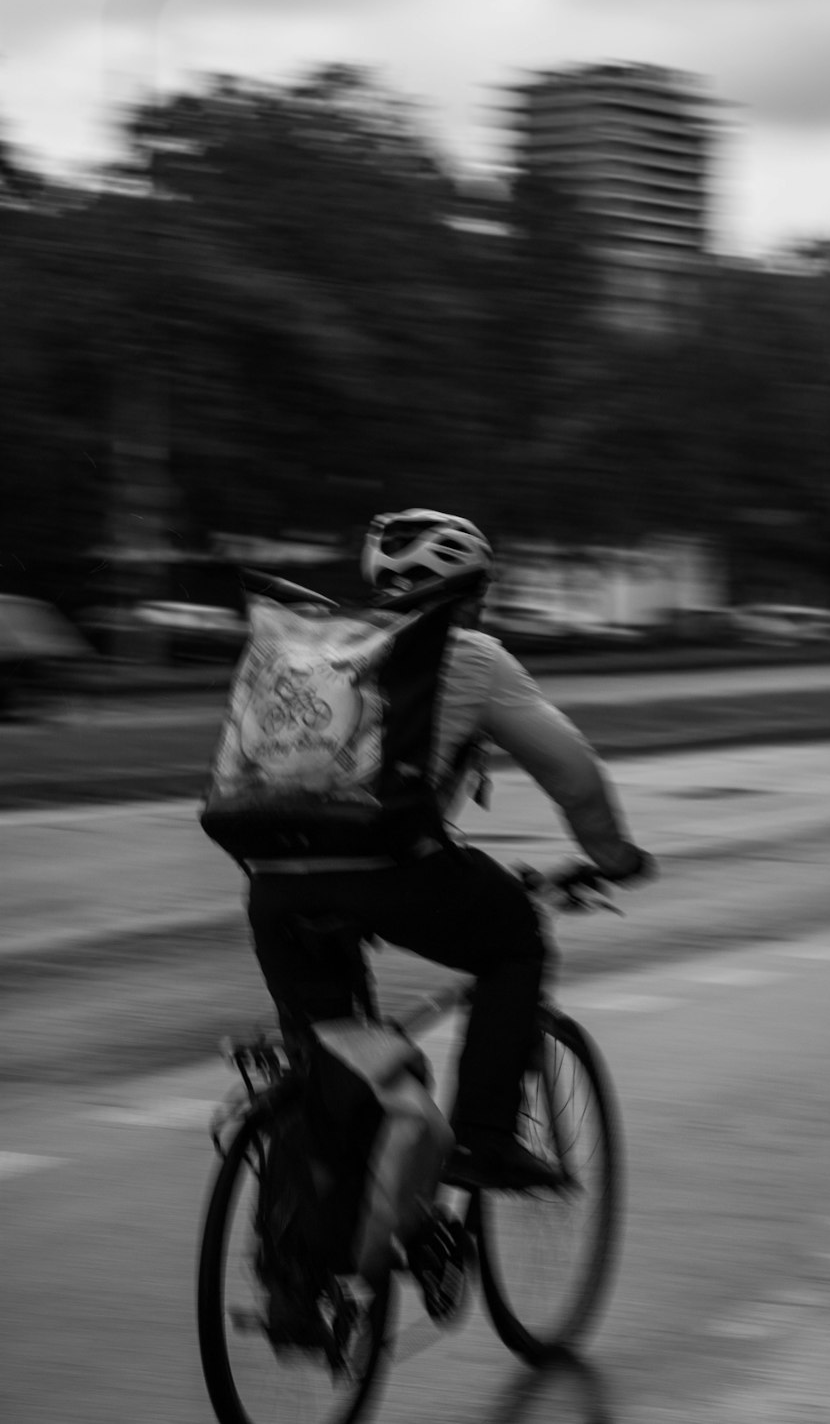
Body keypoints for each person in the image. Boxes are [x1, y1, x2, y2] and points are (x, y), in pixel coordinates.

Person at [245, 509, 655, 1189]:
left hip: (274, 883)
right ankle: (484, 1140)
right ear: (470, 595)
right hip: (389, 874)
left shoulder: (317, 649)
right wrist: (615, 857)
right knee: (515, 939)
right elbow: (574, 776)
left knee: (330, 1064)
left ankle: (301, 1275)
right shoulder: (472, 655)